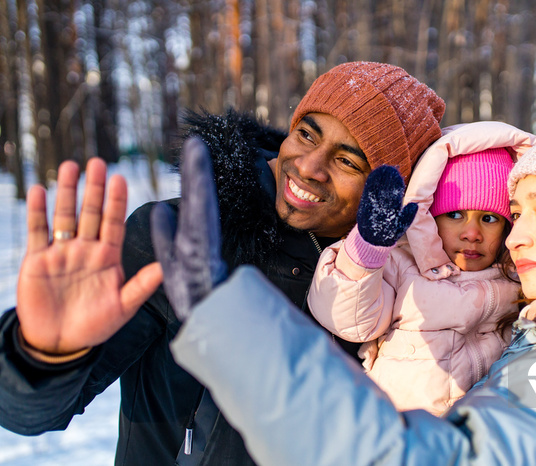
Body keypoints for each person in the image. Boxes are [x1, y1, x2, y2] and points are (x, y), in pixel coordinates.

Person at [167, 118, 536, 465]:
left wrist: (232, 325)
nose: (516, 235)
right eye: (518, 213)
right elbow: (349, 313)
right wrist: (367, 252)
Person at [0, 61, 445, 465]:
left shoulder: (397, 299)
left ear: (391, 194)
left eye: (348, 160)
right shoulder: (180, 237)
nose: (309, 166)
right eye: (307, 134)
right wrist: (43, 353)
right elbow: (28, 416)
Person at [308, 122, 536, 415]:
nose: (472, 233)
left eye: (489, 218)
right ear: (428, 217)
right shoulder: (403, 265)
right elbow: (348, 319)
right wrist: (367, 252)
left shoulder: (518, 279)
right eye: (454, 214)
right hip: (400, 430)